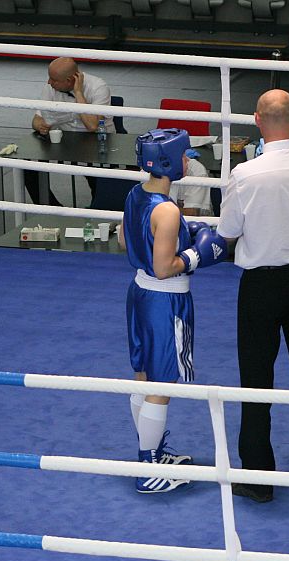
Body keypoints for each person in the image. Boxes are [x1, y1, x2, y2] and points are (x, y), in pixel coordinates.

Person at [217, 89, 289, 503]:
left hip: (261, 284)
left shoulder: (244, 174)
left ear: (257, 119)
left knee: (256, 380)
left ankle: (257, 478)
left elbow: (227, 231)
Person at [118, 128, 228, 494]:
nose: (187, 161)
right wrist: (195, 254)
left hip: (139, 293)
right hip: (164, 300)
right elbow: (165, 267)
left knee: (145, 375)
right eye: (183, 156)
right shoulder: (166, 210)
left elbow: (124, 239)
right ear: (167, 162)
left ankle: (149, 457)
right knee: (163, 383)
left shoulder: (135, 194)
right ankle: (149, 468)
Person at [28, 57, 116, 207]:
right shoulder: (50, 87)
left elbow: (93, 125)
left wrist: (78, 93)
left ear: (69, 80)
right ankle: (52, 208)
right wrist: (41, 126)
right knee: (29, 168)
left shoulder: (98, 87)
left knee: (97, 175)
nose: (49, 82)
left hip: (96, 141)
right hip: (65, 141)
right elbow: (36, 120)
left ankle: (97, 209)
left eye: (54, 80)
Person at [169, 148, 212, 215]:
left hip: (199, 220)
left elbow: (191, 213)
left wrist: (162, 208)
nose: (187, 159)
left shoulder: (196, 170)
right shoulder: (157, 172)